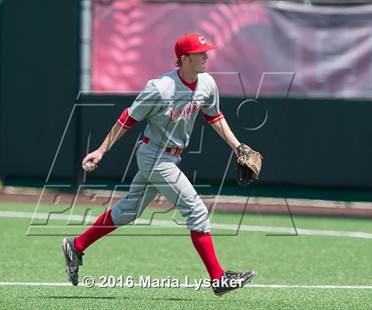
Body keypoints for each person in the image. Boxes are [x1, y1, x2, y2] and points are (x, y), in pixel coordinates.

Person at [62, 33, 256, 297]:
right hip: (154, 156)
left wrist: (238, 147)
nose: (206, 56)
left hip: (171, 156)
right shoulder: (160, 88)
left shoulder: (207, 84)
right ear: (184, 59)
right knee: (197, 212)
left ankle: (77, 245)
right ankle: (218, 278)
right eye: (200, 53)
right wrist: (101, 150)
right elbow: (127, 118)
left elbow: (215, 117)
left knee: (127, 212)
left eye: (206, 51)